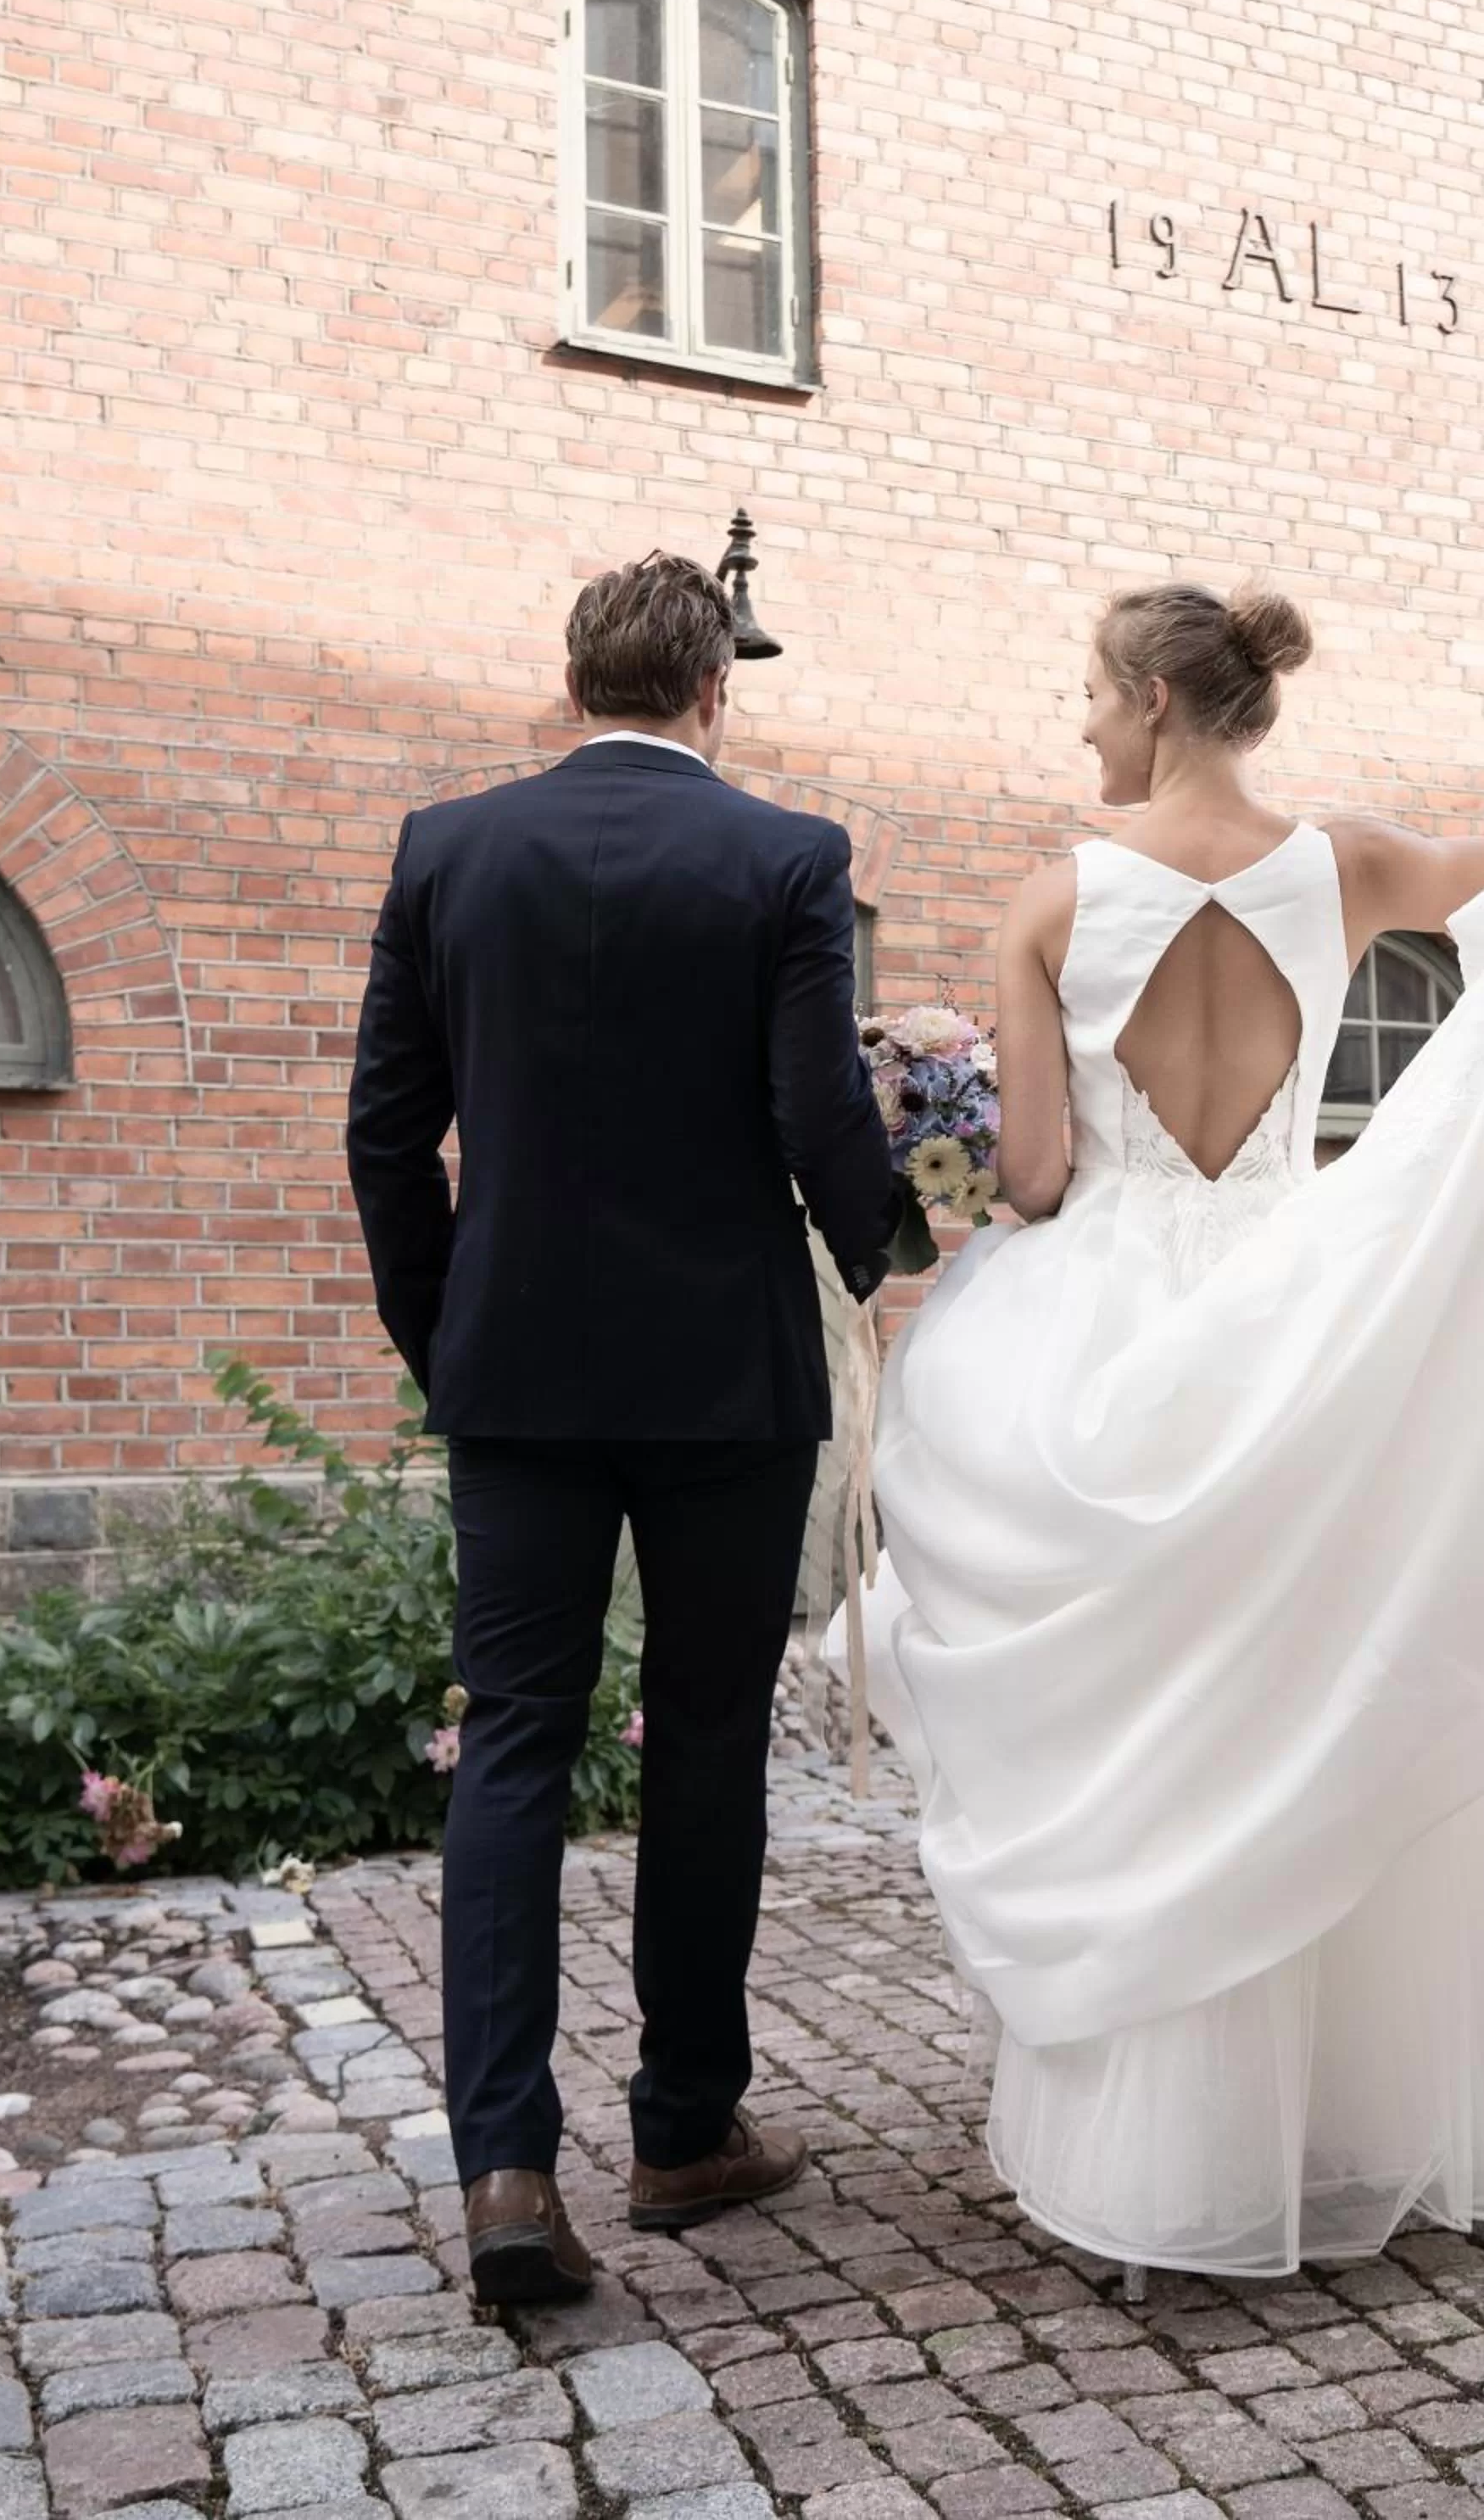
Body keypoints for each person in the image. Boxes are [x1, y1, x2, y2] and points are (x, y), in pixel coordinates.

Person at [845, 564, 1484, 2277]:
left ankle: (1174, 2137)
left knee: (1175, 1720)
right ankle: (1358, 2118)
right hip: (1300, 1308)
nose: (1083, 720)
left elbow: (1032, 1177)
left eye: (1093, 695)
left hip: (1102, 1324)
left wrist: (933, 1137)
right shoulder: (1341, 866)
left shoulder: (1047, 909)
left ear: (1159, 701)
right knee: (1328, 1679)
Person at [348, 552, 898, 2303]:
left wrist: (451, 1335)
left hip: (515, 1368)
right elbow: (819, 1109)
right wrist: (893, 1237)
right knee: (710, 1736)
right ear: (715, 693)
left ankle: (507, 2167)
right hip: (725, 1376)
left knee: (513, 1742)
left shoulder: (449, 848)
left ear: (575, 680)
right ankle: (681, 2128)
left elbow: (383, 1133)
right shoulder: (785, 858)